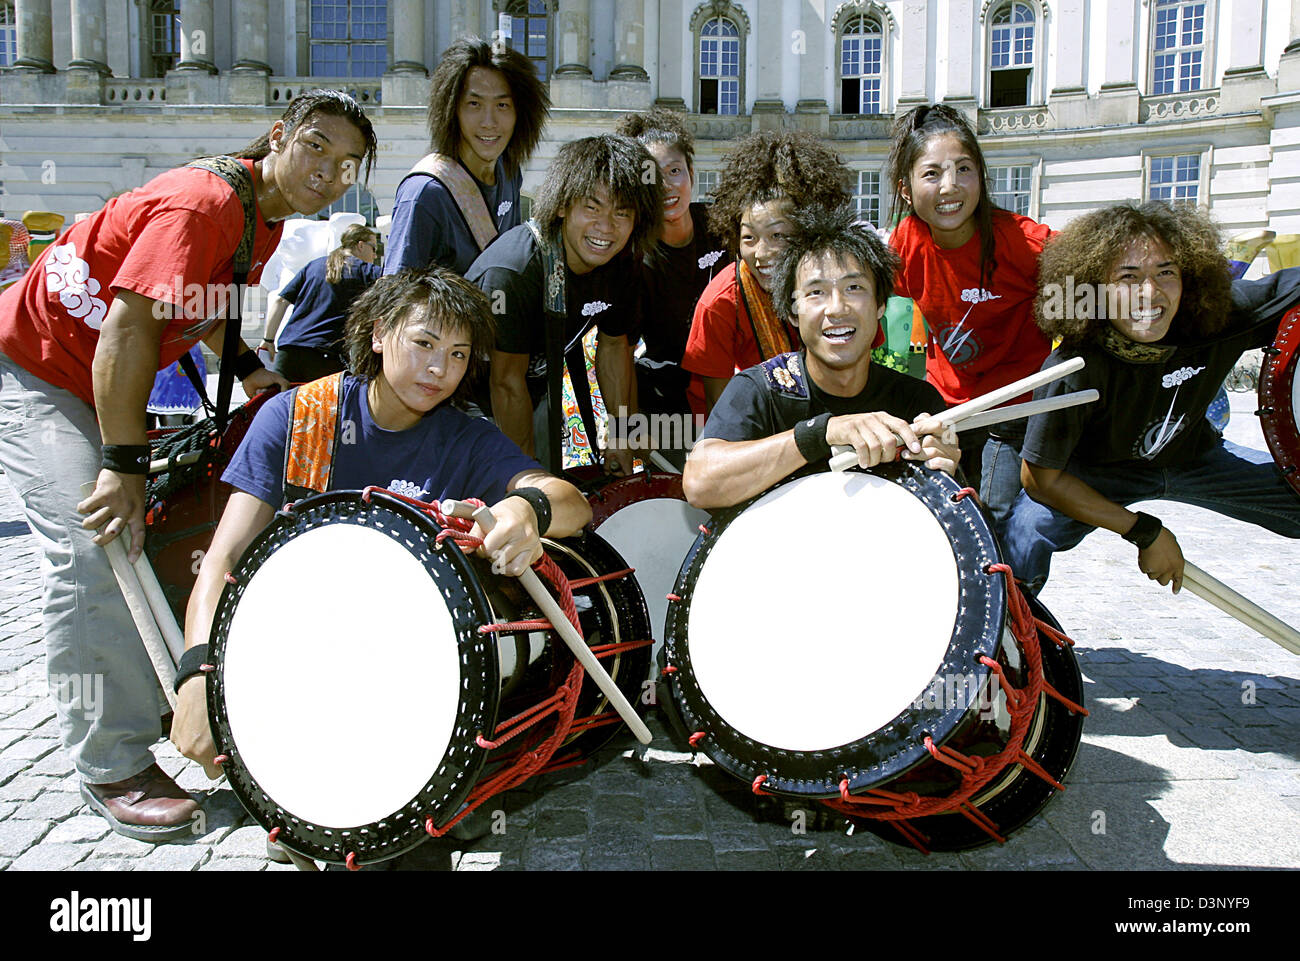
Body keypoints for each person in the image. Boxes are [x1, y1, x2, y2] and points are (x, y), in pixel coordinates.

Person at [0, 89, 378, 842]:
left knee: (153, 531)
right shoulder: (205, 204)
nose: (330, 174)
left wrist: (253, 372)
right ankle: (108, 761)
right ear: (279, 136)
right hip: (43, 367)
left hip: (98, 372)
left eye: (346, 167)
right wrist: (121, 462)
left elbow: (205, 309)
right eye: (316, 149)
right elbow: (129, 328)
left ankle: (175, 695)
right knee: (96, 542)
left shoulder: (261, 218)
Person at [172, 267, 592, 777]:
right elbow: (225, 560)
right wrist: (197, 678)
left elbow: (572, 503)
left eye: (458, 355)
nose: (439, 368)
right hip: (295, 651)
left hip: (417, 673)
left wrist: (527, 509)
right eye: (424, 343)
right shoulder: (295, 417)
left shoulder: (467, 437)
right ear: (378, 333)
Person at [1002, 201, 1300, 595]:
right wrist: (1144, 531)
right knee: (1024, 535)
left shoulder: (1222, 317)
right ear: (1096, 287)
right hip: (1097, 475)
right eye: (1128, 276)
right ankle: (1016, 638)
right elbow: (1040, 479)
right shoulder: (1074, 365)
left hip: (1197, 459)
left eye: (1166, 273)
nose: (1150, 293)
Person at [683, 205, 959, 511]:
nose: (836, 308)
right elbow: (699, 485)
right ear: (792, 312)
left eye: (854, 288)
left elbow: (949, 506)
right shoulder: (759, 390)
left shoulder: (916, 401)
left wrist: (944, 462)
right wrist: (818, 433)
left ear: (880, 304)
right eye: (816, 292)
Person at [886, 103, 1054, 516]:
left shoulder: (1023, 242)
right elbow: (889, 332)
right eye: (932, 173)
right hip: (949, 413)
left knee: (994, 522)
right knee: (945, 518)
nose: (951, 187)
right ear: (906, 189)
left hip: (1016, 413)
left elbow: (1101, 267)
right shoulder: (905, 242)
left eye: (964, 169)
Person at [467, 134, 663, 476]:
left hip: (533, 387)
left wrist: (622, 433)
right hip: (470, 398)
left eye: (622, 212)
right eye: (592, 207)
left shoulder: (623, 261)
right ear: (562, 205)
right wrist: (528, 480)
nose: (606, 226)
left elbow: (615, 344)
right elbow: (505, 383)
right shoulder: (514, 271)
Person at [681, 130, 853, 419]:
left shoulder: (841, 285)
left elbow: (857, 373)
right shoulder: (720, 303)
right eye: (749, 238)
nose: (761, 253)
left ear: (807, 230)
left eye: (778, 235)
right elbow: (723, 419)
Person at [613, 108, 731, 466]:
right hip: (666, 399)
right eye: (651, 176)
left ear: (692, 174)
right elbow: (619, 351)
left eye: (675, 171)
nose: (666, 186)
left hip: (727, 387)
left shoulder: (724, 227)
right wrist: (628, 432)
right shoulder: (631, 257)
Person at [384, 37, 550, 277]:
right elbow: (395, 297)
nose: (489, 122)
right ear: (452, 110)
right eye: (474, 104)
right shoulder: (423, 194)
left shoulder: (509, 171)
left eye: (502, 105)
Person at [261, 223, 382, 382]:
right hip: (326, 355)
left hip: (289, 350)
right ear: (360, 245)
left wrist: (268, 340)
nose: (374, 256)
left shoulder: (314, 265)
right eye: (374, 249)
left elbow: (280, 300)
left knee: (280, 403)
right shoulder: (367, 271)